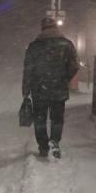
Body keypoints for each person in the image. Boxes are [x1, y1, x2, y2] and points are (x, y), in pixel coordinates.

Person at [22, 17, 79, 159]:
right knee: (57, 118)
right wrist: (64, 78)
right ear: (56, 28)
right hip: (58, 87)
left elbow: (28, 69)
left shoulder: (34, 46)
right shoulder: (66, 44)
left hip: (39, 88)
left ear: (42, 29)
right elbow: (75, 65)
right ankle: (55, 140)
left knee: (40, 119)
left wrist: (26, 89)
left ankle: (43, 146)